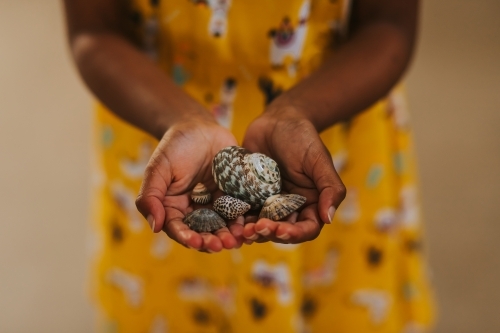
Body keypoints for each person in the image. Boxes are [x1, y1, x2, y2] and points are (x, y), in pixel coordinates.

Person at [63, 0, 435, 332]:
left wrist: (297, 112)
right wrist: (180, 119)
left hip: (331, 123)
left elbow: (388, 24)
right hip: (159, 127)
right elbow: (94, 30)